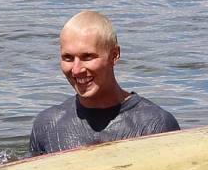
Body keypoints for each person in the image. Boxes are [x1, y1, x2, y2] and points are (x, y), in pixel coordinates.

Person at [29, 10, 180, 156]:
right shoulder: (47, 125)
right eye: (68, 58)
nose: (76, 70)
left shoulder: (155, 125)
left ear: (114, 56)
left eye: (87, 57)